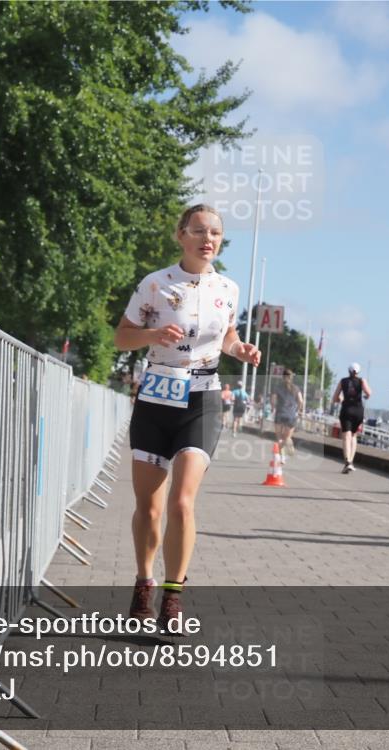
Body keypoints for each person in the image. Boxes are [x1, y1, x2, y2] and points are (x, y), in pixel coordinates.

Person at [114, 204, 260, 630]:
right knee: (150, 508)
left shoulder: (228, 288)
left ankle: (173, 597)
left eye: (215, 233)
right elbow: (122, 337)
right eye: (198, 231)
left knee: (181, 502)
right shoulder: (155, 283)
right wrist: (153, 335)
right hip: (157, 396)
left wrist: (240, 349)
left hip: (202, 398)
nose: (207, 239)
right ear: (180, 235)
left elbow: (227, 335)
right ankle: (144, 582)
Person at [332, 363, 371, 474]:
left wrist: (341, 399)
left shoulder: (343, 381)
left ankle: (347, 462)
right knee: (354, 435)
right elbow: (369, 393)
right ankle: (351, 462)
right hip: (358, 411)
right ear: (358, 372)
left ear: (348, 371)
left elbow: (335, 398)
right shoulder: (362, 381)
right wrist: (366, 396)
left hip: (346, 410)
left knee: (346, 436)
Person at [272, 368, 304, 455]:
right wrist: (298, 411)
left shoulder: (277, 387)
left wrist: (273, 408)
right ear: (292, 377)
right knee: (287, 437)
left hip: (280, 413)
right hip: (291, 415)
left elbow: (273, 400)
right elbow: (301, 401)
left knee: (279, 438)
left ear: (283, 377)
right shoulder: (296, 388)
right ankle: (288, 444)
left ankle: (281, 457)